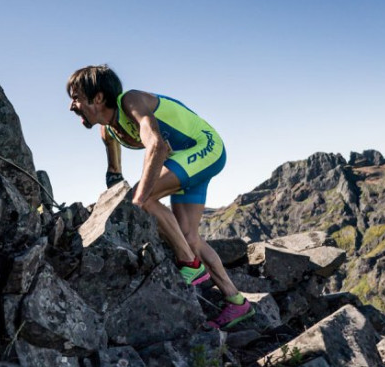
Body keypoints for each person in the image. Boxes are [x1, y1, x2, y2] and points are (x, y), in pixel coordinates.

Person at [66, 64, 255, 330]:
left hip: (204, 147)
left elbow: (154, 143)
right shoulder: (107, 131)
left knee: (145, 199)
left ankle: (190, 266)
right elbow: (114, 176)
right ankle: (236, 302)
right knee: (187, 237)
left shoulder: (130, 101)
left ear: (97, 98)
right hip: (181, 159)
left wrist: (139, 200)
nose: (71, 106)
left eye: (75, 98)